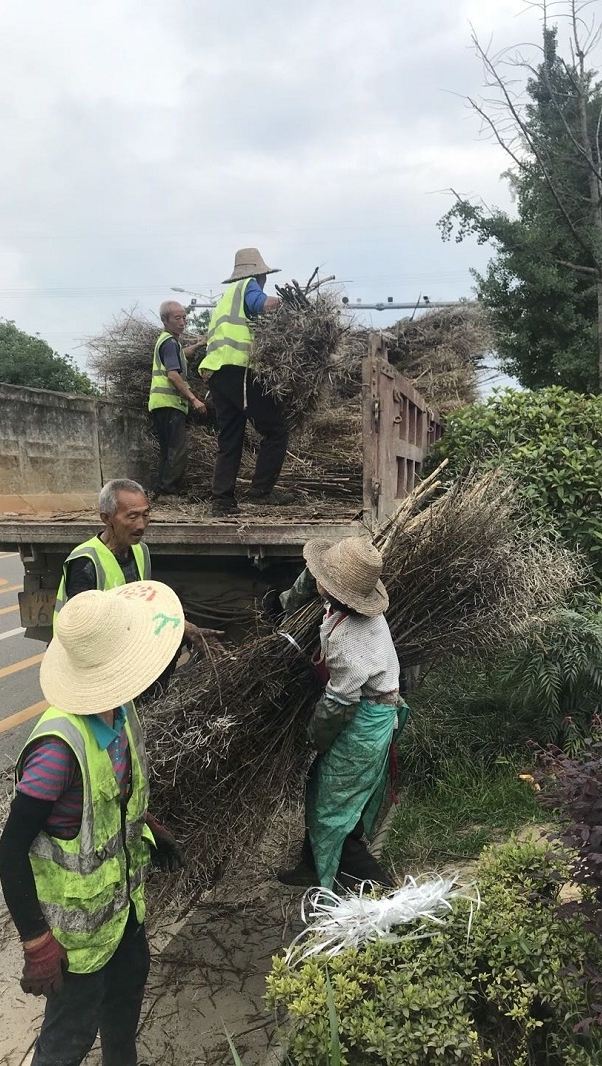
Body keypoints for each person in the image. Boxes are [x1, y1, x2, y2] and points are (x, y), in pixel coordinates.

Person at [0, 580, 187, 1066]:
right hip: (76, 940)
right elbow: (10, 849)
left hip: (124, 917)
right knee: (69, 1038)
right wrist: (37, 940)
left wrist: (150, 826)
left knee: (123, 1017)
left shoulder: (122, 714)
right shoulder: (57, 752)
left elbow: (113, 802)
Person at [276, 536, 409, 890]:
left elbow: (338, 703)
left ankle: (389, 893)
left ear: (332, 589)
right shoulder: (350, 609)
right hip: (370, 712)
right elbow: (307, 585)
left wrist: (315, 738)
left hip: (363, 723)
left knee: (337, 816)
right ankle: (311, 863)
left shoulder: (348, 637)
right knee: (321, 788)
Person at [53, 479, 218, 680]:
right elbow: (82, 630)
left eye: (145, 515)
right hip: (93, 658)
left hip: (123, 645)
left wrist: (185, 627)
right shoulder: (86, 562)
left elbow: (144, 605)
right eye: (132, 517)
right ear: (107, 518)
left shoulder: (141, 551)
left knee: (171, 645)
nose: (141, 525)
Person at [198, 247, 294, 515]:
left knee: (230, 437)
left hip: (216, 373)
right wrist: (287, 305)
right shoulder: (248, 287)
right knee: (275, 430)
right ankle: (261, 491)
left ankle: (222, 501)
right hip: (238, 370)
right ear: (259, 274)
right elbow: (263, 304)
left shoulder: (225, 299)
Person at [148, 300, 207, 500]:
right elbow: (173, 375)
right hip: (169, 403)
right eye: (177, 318)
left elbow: (181, 354)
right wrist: (194, 399)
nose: (182, 322)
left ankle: (162, 490)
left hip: (159, 404)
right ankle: (168, 491)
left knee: (167, 449)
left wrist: (198, 344)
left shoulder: (168, 342)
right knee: (177, 449)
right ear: (164, 320)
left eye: (184, 318)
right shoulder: (170, 343)